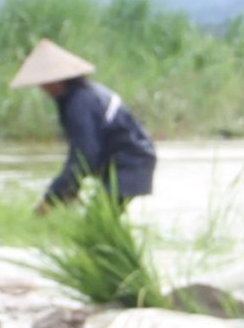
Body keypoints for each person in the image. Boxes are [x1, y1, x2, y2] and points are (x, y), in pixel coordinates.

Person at [12, 38, 157, 208]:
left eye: (44, 82)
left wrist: (52, 197)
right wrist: (68, 190)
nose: (42, 87)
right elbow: (82, 153)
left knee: (97, 221)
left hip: (130, 163)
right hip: (124, 161)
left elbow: (84, 155)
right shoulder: (77, 98)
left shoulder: (81, 103)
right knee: (98, 219)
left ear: (58, 80)